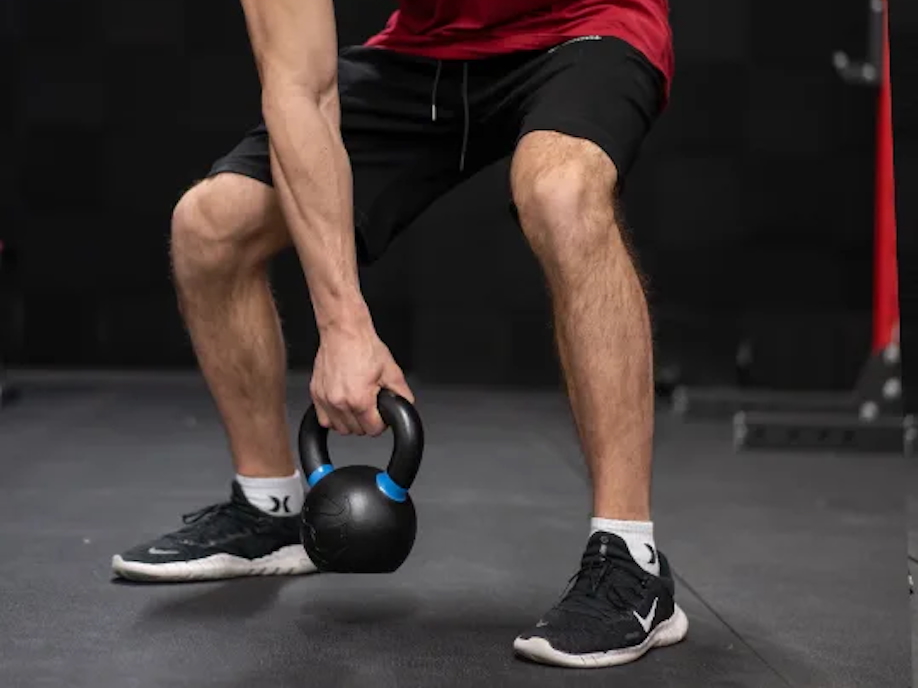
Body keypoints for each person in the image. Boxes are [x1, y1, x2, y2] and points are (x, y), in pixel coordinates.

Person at [112, 0, 689, 668]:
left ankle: (630, 559)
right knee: (210, 227)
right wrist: (343, 325)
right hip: (427, 50)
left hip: (583, 23)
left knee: (561, 191)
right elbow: (301, 88)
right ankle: (271, 509)